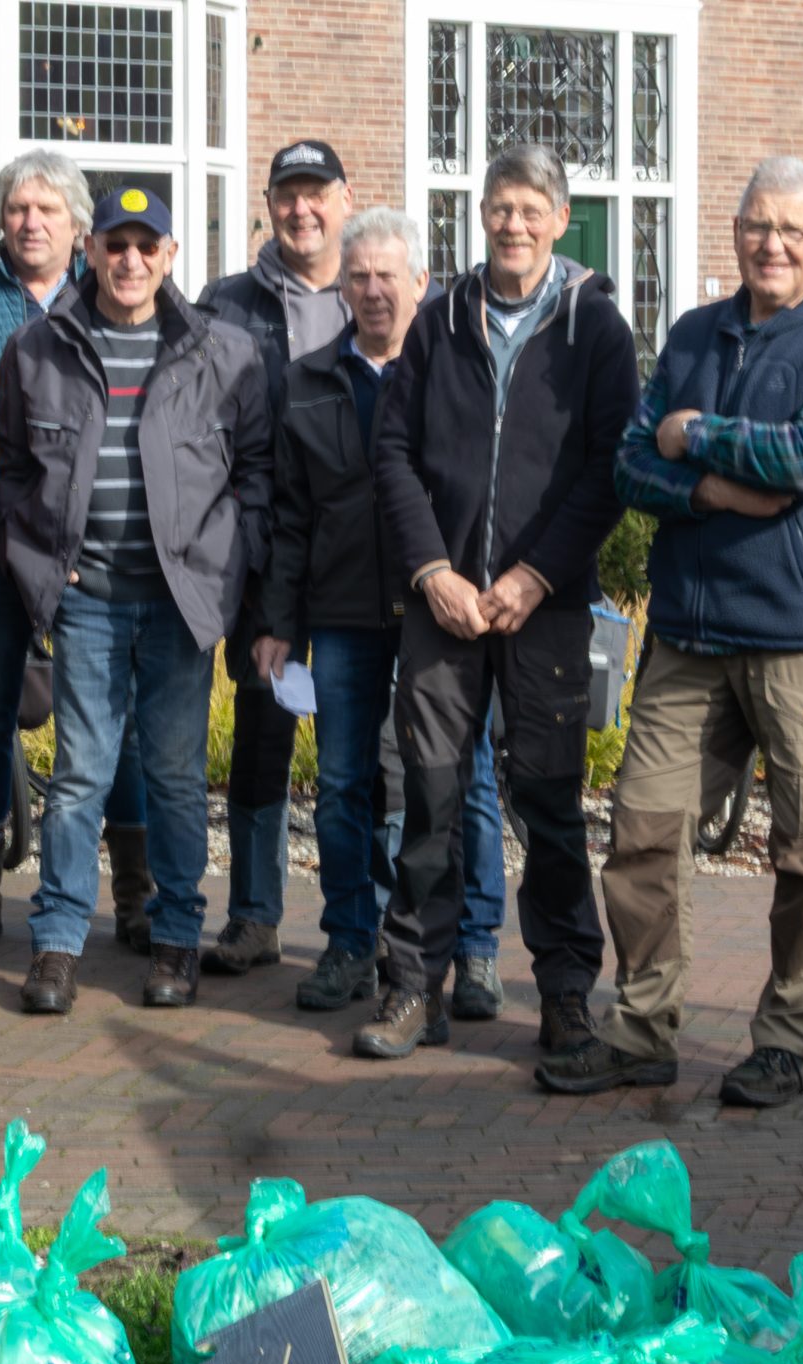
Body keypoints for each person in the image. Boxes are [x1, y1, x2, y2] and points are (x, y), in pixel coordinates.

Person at [541, 157, 803, 1107]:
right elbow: (625, 466)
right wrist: (718, 488)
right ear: (734, 232)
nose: (769, 244)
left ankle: (788, 1038)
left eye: (790, 229)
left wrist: (692, 437)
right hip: (692, 633)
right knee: (644, 829)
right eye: (753, 225)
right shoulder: (695, 334)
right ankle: (642, 1028)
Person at [356, 143, 639, 1064]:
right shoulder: (439, 322)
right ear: (479, 217)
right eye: (498, 208)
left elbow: (611, 468)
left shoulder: (595, 328)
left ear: (560, 220)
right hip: (443, 611)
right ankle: (411, 988)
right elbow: (391, 452)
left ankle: (564, 997)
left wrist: (535, 576)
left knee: (550, 808)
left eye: (530, 209)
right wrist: (432, 570)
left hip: (545, 610)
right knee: (430, 801)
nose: (512, 225)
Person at [0, 185, 271, 1015]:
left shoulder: (224, 353)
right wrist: (40, 564)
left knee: (178, 778)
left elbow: (256, 477)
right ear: (91, 248)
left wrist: (228, 560)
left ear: (171, 256)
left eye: (148, 245)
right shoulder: (38, 350)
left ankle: (177, 935)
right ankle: (57, 943)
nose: (130, 260)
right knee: (79, 776)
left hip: (180, 606)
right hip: (87, 600)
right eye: (116, 244)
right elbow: (12, 469)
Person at [256, 210, 514, 1020]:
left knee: (462, 780)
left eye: (387, 276)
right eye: (358, 277)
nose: (372, 291)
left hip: (440, 614)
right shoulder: (304, 382)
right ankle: (349, 942)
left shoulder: (455, 381)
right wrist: (278, 621)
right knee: (340, 786)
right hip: (338, 614)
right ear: (342, 286)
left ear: (421, 284)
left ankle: (473, 950)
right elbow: (290, 517)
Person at [0, 150, 154, 956]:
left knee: (115, 721)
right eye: (17, 208)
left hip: (91, 553)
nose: (30, 222)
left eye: (48, 211)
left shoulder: (108, 299)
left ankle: (134, 894)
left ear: (79, 228)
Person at [198, 140, 357, 979]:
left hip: (360, 561)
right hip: (263, 559)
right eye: (287, 195)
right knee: (263, 740)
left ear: (345, 198)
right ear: (268, 204)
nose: (302, 210)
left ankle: (355, 924)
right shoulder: (225, 303)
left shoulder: (384, 287)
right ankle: (254, 914)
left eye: (316, 194)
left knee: (358, 751)